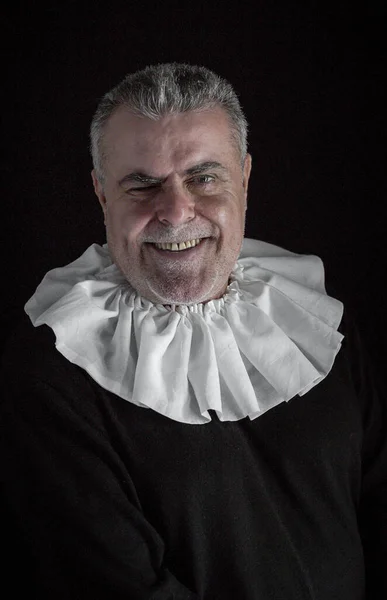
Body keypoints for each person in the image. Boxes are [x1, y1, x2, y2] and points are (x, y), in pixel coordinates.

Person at [1, 62, 385, 599]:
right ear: (101, 194)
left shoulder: (313, 322)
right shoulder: (50, 373)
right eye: (141, 184)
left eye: (203, 177)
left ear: (245, 180)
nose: (176, 211)